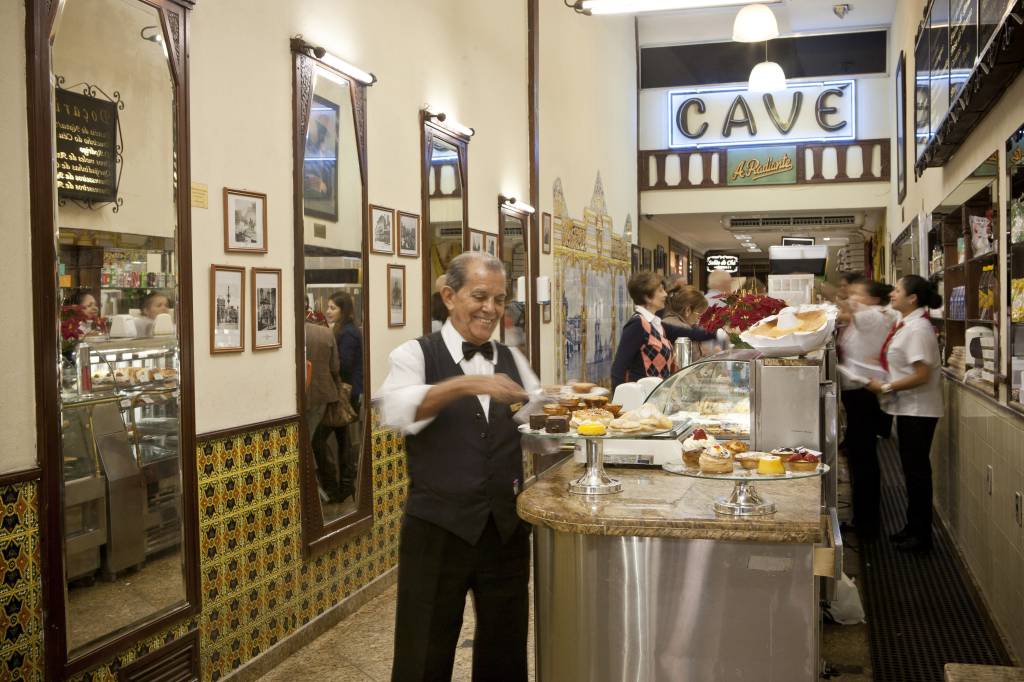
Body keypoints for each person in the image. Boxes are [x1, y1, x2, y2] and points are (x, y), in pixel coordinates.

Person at [379, 252, 539, 681]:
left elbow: (536, 421)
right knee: (423, 651)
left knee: (505, 651)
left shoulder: (511, 358)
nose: (491, 308)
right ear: (449, 296)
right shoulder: (414, 354)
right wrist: (469, 383)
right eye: (480, 296)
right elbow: (395, 412)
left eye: (500, 299)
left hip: (503, 528)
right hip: (438, 528)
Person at [867, 275, 943, 552]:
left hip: (919, 411)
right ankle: (912, 526)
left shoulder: (918, 330)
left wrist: (886, 386)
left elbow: (922, 375)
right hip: (909, 408)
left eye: (897, 290)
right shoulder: (907, 324)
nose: (892, 294)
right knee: (911, 471)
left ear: (912, 298)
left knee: (917, 474)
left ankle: (922, 537)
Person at [837, 279, 897, 541]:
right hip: (857, 392)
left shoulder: (873, 315)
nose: (853, 297)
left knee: (864, 458)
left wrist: (833, 293)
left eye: (858, 293)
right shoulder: (866, 317)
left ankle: (867, 524)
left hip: (866, 392)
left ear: (873, 299)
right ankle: (862, 518)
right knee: (859, 455)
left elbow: (842, 308)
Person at [611, 271, 717, 391]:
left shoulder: (656, 324)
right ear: (647, 297)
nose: (665, 294)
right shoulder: (637, 324)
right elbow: (619, 368)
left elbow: (691, 334)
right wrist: (618, 404)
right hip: (642, 397)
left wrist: (719, 334)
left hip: (657, 395)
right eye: (660, 291)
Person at [312, 291, 363, 502]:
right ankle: (345, 486)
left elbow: (346, 364)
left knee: (319, 439)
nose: (328, 311)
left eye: (333, 308)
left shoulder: (348, 333)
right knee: (343, 440)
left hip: (345, 394)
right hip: (346, 392)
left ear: (344, 310)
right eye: (328, 307)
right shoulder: (342, 330)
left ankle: (334, 486)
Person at [304, 315, 341, 503]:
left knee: (307, 443)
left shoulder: (292, 332)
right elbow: (335, 366)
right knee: (314, 441)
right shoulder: (326, 333)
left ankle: (310, 489)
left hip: (301, 396)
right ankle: (324, 486)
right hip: (323, 394)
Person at [661, 285, 710, 362]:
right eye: (699, 315)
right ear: (687, 310)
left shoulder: (665, 321)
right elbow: (692, 364)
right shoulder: (684, 330)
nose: (699, 320)